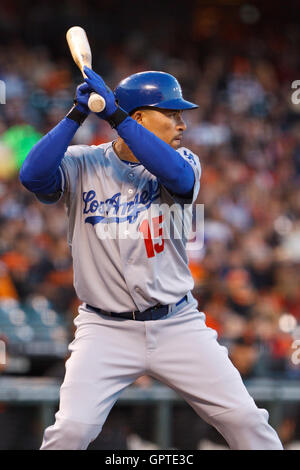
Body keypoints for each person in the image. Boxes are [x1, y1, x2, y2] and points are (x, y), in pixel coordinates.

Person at [20, 67, 283, 450]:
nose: (182, 125)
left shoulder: (186, 160)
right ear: (140, 117)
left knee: (247, 422)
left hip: (177, 323)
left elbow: (176, 176)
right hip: (104, 329)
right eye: (172, 114)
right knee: (70, 433)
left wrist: (115, 117)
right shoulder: (83, 162)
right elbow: (32, 176)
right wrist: (74, 116)